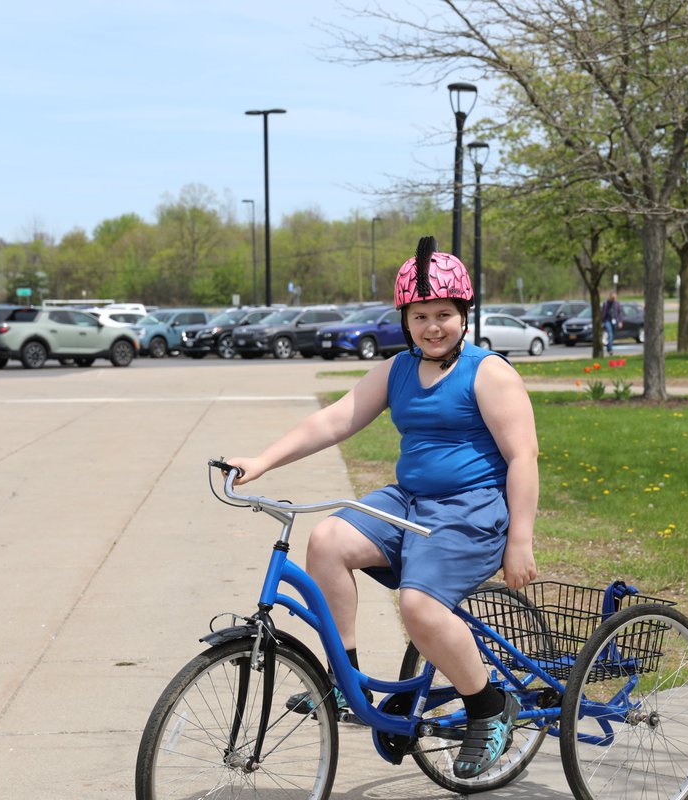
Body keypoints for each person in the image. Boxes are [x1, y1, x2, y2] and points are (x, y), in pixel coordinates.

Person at [224, 235, 539, 780]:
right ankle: (343, 681)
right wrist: (264, 460)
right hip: (408, 503)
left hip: (470, 511)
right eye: (420, 316)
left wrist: (520, 540)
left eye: (444, 314)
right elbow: (334, 420)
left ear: (465, 314)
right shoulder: (397, 370)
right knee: (326, 541)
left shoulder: (489, 373)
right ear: (405, 319)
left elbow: (523, 455)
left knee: (418, 607)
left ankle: (489, 707)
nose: (432, 326)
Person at [600, 290, 623, 355]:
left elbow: (619, 313)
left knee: (612, 335)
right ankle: (610, 350)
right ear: (610, 297)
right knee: (610, 334)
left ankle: (608, 347)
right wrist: (602, 322)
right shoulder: (606, 304)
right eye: (612, 298)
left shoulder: (617, 304)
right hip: (607, 320)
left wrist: (620, 321)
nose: (614, 299)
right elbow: (603, 313)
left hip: (614, 321)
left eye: (615, 298)